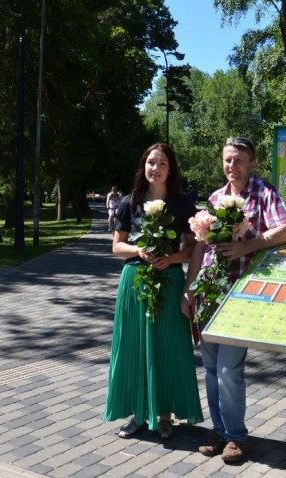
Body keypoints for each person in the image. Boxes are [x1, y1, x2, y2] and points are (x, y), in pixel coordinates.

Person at [182, 136, 286, 463]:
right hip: (210, 293)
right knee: (211, 368)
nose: (232, 166)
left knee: (228, 370)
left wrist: (248, 246)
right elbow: (200, 248)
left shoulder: (264, 193)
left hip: (242, 294)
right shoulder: (215, 198)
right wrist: (189, 288)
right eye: (228, 160)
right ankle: (220, 431)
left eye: (239, 160)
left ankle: (236, 436)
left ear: (252, 163)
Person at [103, 143, 203, 440]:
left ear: (170, 169)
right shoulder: (128, 202)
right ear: (143, 166)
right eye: (151, 163)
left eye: (162, 164)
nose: (155, 169)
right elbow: (117, 247)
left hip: (169, 280)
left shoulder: (182, 203)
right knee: (134, 347)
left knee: (168, 346)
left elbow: (192, 248)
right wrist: (138, 250)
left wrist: (171, 258)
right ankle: (138, 412)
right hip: (134, 281)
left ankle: (165, 414)